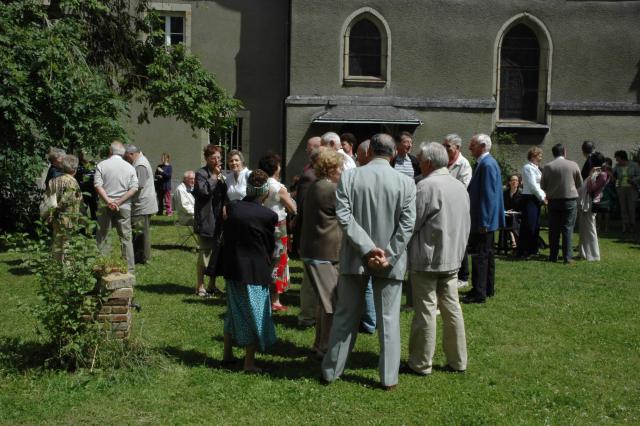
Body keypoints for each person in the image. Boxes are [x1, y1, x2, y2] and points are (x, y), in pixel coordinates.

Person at [321, 133, 416, 390]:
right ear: (394, 152)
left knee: (345, 316)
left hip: (355, 257)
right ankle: (388, 378)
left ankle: (331, 371)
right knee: (388, 320)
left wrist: (365, 249)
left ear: (370, 150)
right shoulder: (406, 183)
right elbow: (407, 226)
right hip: (388, 261)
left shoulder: (351, 176)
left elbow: (343, 215)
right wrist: (387, 254)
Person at [406, 142, 469, 375]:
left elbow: (411, 223)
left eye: (420, 159)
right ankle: (458, 360)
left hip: (428, 259)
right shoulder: (459, 186)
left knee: (426, 310)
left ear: (429, 162)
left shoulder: (426, 186)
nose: (418, 163)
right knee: (452, 309)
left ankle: (421, 362)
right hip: (452, 257)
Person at [222, 170, 278, 373]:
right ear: (264, 192)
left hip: (232, 268)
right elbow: (270, 246)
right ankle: (249, 363)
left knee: (233, 311)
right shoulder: (268, 215)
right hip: (254, 272)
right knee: (254, 314)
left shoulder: (233, 208)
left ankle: (227, 354)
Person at [300, 149, 344, 360]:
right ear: (332, 168)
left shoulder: (316, 186)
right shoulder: (330, 189)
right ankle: (325, 347)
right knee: (330, 305)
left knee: (322, 303)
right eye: (340, 167)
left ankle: (318, 343)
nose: (342, 171)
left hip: (313, 250)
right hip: (324, 253)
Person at [462, 134, 505, 304]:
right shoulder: (488, 163)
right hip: (487, 220)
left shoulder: (486, 165)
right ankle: (487, 288)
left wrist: (485, 221)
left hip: (483, 221)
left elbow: (488, 195)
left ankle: (479, 292)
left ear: (482, 146)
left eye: (472, 145)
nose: (470, 148)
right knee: (487, 254)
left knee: (480, 256)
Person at [259, 153, 297, 311]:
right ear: (276, 167)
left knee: (267, 259)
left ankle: (265, 295)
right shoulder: (278, 187)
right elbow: (293, 208)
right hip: (278, 227)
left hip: (264, 224)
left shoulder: (262, 184)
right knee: (280, 261)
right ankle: (275, 299)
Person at [94, 140, 139, 274]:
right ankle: (129, 269)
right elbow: (134, 188)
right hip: (124, 206)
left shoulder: (101, 165)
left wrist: (109, 201)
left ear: (110, 151)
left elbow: (97, 185)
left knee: (103, 236)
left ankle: (103, 268)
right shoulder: (130, 167)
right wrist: (118, 202)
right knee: (126, 238)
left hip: (104, 205)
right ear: (123, 153)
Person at [292, 136, 321, 327]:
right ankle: (307, 316)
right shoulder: (309, 177)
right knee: (310, 280)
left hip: (320, 235)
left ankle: (315, 315)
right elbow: (302, 210)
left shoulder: (317, 176)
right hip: (311, 235)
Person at [193, 145, 228, 297]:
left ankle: (212, 285)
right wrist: (214, 176)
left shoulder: (221, 174)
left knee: (216, 253)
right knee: (205, 252)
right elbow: (204, 192)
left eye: (219, 158)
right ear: (207, 158)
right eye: (213, 158)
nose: (217, 160)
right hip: (207, 218)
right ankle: (200, 285)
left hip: (220, 218)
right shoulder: (201, 173)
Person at [540, 144, 583, 263]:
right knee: (567, 229)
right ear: (564, 152)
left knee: (553, 230)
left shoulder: (548, 166)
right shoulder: (573, 164)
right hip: (569, 200)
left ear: (553, 153)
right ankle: (567, 257)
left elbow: (542, 185)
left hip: (553, 201)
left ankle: (553, 256)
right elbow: (580, 183)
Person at [442, 134, 472, 288]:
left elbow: (462, 186)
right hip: (444, 207)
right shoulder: (443, 162)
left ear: (457, 148)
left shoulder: (464, 164)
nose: (445, 148)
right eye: (444, 145)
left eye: (448, 146)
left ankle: (463, 276)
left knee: (460, 242)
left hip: (457, 208)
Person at [124, 145, 158, 264]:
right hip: (143, 203)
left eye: (126, 157)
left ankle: (141, 257)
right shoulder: (140, 161)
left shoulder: (140, 164)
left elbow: (140, 184)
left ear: (131, 154)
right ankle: (142, 256)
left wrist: (126, 189)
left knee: (140, 232)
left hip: (142, 204)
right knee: (142, 232)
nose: (126, 159)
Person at [46, 154, 83, 261]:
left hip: (55, 216)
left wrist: (51, 213)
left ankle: (56, 266)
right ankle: (67, 268)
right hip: (68, 216)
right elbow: (69, 199)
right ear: (74, 169)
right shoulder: (72, 181)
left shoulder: (53, 180)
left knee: (57, 240)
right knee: (67, 241)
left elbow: (48, 199)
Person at [578, 152, 608, 261]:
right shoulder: (596, 173)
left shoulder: (602, 174)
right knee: (583, 229)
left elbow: (592, 188)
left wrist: (591, 175)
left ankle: (594, 255)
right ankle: (583, 252)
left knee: (590, 228)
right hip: (584, 203)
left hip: (590, 204)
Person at [518, 147, 546, 258]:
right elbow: (533, 185)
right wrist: (543, 197)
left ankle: (533, 250)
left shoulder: (537, 168)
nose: (541, 157)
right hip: (529, 198)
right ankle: (524, 251)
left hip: (535, 199)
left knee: (535, 225)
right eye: (539, 155)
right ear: (533, 156)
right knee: (529, 225)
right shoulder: (528, 168)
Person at [613, 150, 640, 233]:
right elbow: (613, 175)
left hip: (632, 188)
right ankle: (625, 226)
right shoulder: (617, 167)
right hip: (621, 189)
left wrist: (632, 180)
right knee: (623, 208)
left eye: (617, 158)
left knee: (631, 208)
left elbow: (639, 176)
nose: (616, 160)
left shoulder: (634, 165)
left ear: (622, 158)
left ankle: (632, 225)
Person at [501, 174, 522, 252]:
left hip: (518, 216)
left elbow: (522, 208)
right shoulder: (505, 193)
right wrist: (505, 211)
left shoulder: (521, 194)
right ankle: (515, 240)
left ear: (518, 182)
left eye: (516, 180)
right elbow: (502, 205)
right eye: (512, 180)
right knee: (508, 218)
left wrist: (514, 211)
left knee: (513, 218)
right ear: (509, 182)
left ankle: (513, 239)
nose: (514, 182)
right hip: (507, 215)